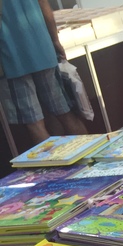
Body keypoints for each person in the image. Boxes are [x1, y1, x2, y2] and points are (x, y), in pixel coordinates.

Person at [0, 0, 87, 145]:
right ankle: (89, 153)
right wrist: (55, 40)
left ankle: (55, 160)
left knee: (34, 123)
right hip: (42, 49)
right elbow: (46, 9)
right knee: (64, 112)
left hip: (11, 60)